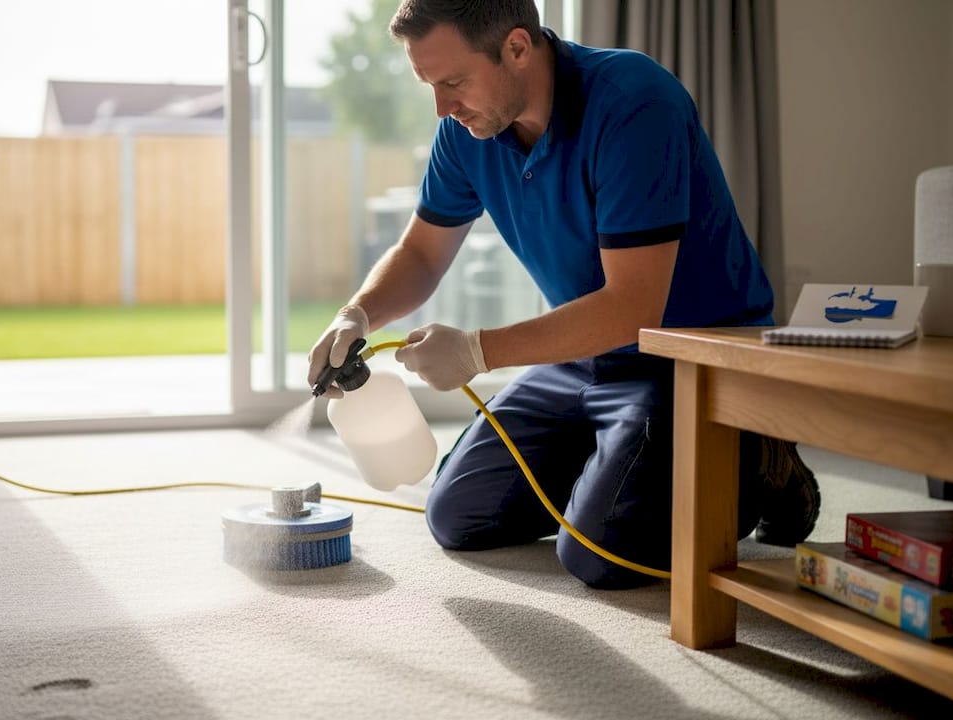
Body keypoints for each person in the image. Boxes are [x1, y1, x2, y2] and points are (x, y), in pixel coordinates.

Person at [307, 0, 819, 589]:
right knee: (457, 516)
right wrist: (356, 314)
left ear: (518, 48)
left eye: (453, 82)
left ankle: (760, 464)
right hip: (585, 354)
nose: (442, 108)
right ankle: (623, 462)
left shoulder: (634, 103)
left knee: (599, 553)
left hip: (688, 358)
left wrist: (476, 352)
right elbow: (422, 253)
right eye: (429, 85)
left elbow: (634, 307)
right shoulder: (467, 130)